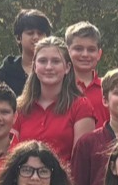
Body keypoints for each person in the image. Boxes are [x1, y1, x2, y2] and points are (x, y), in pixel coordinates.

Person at [14, 34, 96, 169]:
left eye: (56, 61)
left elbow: (81, 161)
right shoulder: (20, 107)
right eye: (43, 61)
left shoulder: (81, 106)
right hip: (25, 183)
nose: (49, 67)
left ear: (67, 67)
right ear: (34, 67)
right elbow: (12, 155)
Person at [0, 8, 51, 96]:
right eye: (30, 33)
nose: (36, 37)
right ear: (18, 38)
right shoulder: (7, 71)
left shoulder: (55, 69)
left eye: (40, 33)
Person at [64, 22, 106, 117]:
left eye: (91, 50)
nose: (85, 54)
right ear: (67, 51)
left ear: (99, 54)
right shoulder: (59, 87)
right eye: (78, 49)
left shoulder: (108, 88)